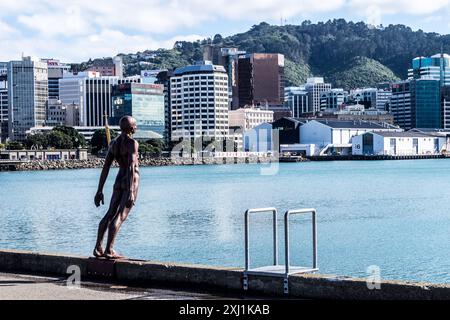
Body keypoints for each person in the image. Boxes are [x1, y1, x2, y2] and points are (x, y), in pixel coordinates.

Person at [93, 116, 140, 260]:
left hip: (119, 179)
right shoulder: (132, 143)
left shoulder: (114, 143)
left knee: (109, 214)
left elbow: (106, 167)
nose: (136, 127)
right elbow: (132, 166)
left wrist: (99, 190)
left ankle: (98, 247)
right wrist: (131, 190)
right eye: (135, 125)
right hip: (130, 181)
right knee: (120, 215)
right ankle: (109, 250)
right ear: (131, 128)